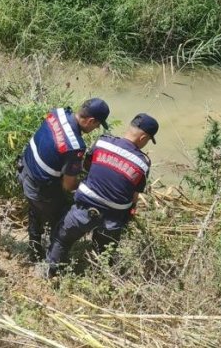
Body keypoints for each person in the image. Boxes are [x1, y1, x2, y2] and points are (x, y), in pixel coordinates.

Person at [43, 113, 159, 277]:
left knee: (62, 239)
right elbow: (134, 197)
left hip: (82, 210)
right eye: (147, 140)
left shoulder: (102, 142)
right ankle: (100, 278)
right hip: (112, 219)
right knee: (104, 254)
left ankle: (50, 274)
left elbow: (87, 167)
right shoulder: (142, 163)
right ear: (143, 137)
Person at [18, 99, 110, 262]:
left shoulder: (58, 112)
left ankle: (34, 250)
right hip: (39, 189)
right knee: (62, 218)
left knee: (34, 211)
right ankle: (53, 261)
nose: (96, 128)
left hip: (25, 169)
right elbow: (68, 185)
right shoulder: (75, 147)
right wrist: (87, 186)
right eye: (97, 125)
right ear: (90, 121)